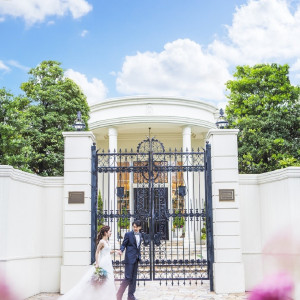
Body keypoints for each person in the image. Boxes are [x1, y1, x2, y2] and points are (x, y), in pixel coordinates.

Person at [59, 226, 117, 300]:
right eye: (110, 231)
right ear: (105, 232)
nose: (111, 233)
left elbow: (108, 251)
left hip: (108, 263)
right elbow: (97, 252)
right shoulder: (102, 242)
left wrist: (115, 251)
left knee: (108, 282)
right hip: (103, 263)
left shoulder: (107, 241)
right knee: (100, 281)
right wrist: (97, 263)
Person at [116, 220, 143, 300]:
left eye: (136, 227)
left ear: (140, 227)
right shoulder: (128, 234)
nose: (135, 228)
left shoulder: (140, 235)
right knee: (127, 278)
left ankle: (130, 296)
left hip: (136, 258)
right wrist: (121, 250)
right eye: (134, 226)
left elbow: (137, 247)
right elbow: (124, 244)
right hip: (129, 258)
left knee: (134, 278)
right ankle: (119, 295)